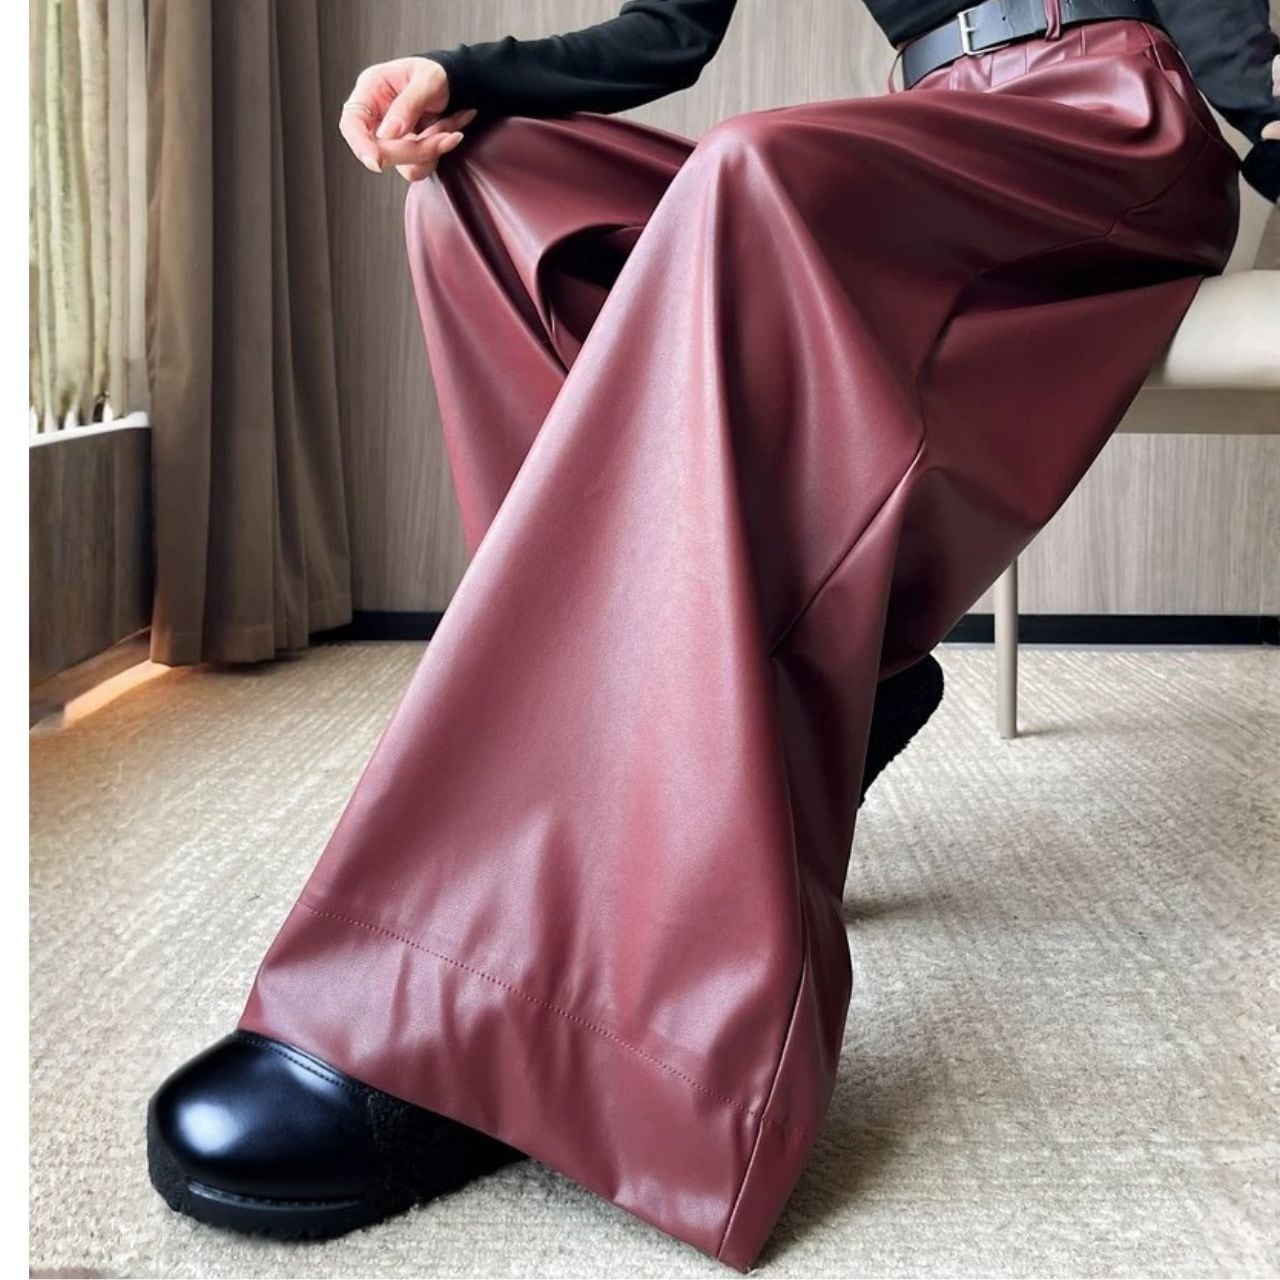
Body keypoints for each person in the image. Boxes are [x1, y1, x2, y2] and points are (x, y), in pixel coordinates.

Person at [146, 0, 1279, 1271]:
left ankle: (515, 986)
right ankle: (726, 725)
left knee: (752, 173)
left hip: (1106, 118)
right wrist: (456, 75)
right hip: (929, 134)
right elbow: (670, 29)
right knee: (486, 189)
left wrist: (1268, 113)